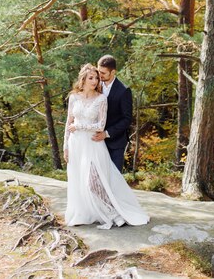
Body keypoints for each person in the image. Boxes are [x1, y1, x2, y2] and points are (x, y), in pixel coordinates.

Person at [63, 63, 149, 229]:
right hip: (76, 144)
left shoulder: (101, 99)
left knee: (93, 181)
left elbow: (101, 125)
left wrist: (80, 127)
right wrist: (65, 147)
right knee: (79, 179)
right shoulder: (74, 97)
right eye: (92, 77)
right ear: (83, 79)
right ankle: (87, 212)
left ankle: (113, 213)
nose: (96, 80)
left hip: (93, 144)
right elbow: (68, 123)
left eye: (97, 77)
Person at [92, 54, 132, 172]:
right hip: (95, 141)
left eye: (103, 73)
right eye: (99, 71)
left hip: (116, 143)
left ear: (113, 72)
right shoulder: (95, 86)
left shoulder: (124, 91)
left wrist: (107, 133)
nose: (99, 75)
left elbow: (127, 119)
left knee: (115, 178)